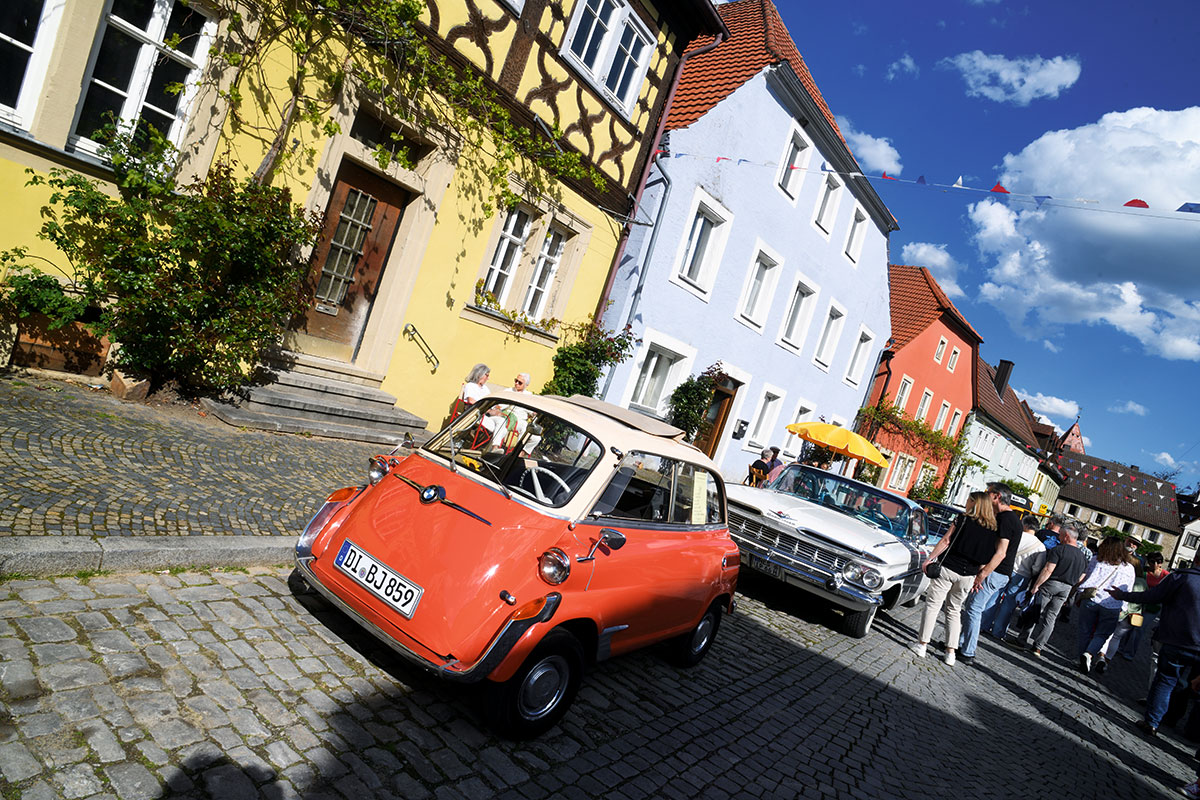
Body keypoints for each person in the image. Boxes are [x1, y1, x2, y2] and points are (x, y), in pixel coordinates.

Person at [1108, 550, 1200, 740]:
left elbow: (1152, 597)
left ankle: (1152, 722)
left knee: (1166, 680)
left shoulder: (1181, 577)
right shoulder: (1182, 577)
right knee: (1190, 686)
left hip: (1176, 639)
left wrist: (1123, 595)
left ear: (1196, 559)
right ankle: (1185, 726)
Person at [913, 491, 999, 666]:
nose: (966, 502)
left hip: (948, 568)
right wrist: (979, 577)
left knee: (933, 605)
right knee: (954, 611)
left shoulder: (963, 519)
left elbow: (946, 540)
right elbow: (987, 558)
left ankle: (922, 645)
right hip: (969, 575)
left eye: (968, 499)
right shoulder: (993, 529)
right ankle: (950, 653)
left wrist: (930, 559)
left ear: (975, 503)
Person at [957, 482, 1021, 664]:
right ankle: (960, 644)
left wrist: (982, 574)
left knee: (974, 609)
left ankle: (968, 652)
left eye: (988, 493)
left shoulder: (1006, 519)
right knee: (972, 608)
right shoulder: (1010, 518)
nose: (986, 496)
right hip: (998, 572)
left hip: (995, 572)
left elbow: (1001, 552)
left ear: (997, 496)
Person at [1021, 522, 1091, 656]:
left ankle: (1022, 640)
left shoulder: (1059, 550)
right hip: (1067, 588)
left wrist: (1036, 586)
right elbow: (1081, 578)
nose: (1058, 537)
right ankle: (1038, 647)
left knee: (1035, 611)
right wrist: (1071, 590)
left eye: (1060, 535)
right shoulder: (1083, 557)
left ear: (1066, 536)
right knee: (1051, 617)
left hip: (1051, 584)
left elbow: (1048, 569)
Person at [1074, 536, 1136, 674]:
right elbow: (1128, 589)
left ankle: (1081, 658)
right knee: (1103, 634)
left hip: (1091, 598)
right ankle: (1089, 654)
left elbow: (1086, 577)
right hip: (1112, 604)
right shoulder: (1129, 568)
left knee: (1085, 630)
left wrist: (1078, 592)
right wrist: (1124, 607)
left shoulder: (1096, 560)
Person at [983, 514, 1046, 639]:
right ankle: (998, 631)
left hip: (1004, 569)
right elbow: (1037, 568)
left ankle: (984, 624)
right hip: (1023, 575)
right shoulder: (1040, 547)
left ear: (1025, 525)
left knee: (994, 596)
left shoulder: (1016, 536)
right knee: (1009, 604)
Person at [1120, 551, 1169, 659]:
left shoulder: (1166, 576)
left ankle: (1129, 652)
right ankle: (1122, 647)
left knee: (1139, 629)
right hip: (1140, 605)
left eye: (1158, 562)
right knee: (1131, 625)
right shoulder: (1144, 573)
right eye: (1152, 562)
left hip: (1153, 607)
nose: (1155, 564)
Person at [481, 372, 533, 447]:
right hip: (508, 417)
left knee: (525, 428)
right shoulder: (508, 391)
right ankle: (495, 447)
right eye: (516, 380)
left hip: (520, 420)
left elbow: (531, 411)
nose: (516, 383)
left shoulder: (529, 396)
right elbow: (498, 406)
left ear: (526, 385)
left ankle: (516, 452)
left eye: (520, 382)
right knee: (502, 423)